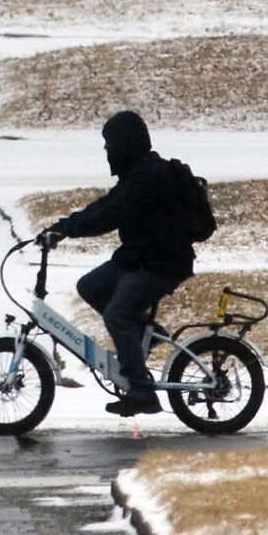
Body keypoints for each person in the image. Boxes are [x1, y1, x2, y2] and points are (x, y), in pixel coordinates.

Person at [49, 110, 194, 417]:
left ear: (124, 143)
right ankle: (144, 334)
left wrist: (70, 229)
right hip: (142, 256)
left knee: (117, 313)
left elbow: (110, 214)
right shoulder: (138, 173)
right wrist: (65, 225)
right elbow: (106, 205)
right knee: (90, 286)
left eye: (109, 143)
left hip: (161, 262)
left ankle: (142, 392)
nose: (106, 150)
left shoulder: (148, 176)